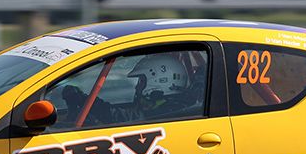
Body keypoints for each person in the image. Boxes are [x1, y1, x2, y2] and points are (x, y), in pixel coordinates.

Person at [62, 52, 204, 126]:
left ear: (160, 80)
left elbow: (120, 117)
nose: (137, 86)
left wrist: (83, 100)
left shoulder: (172, 111)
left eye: (142, 81)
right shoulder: (159, 104)